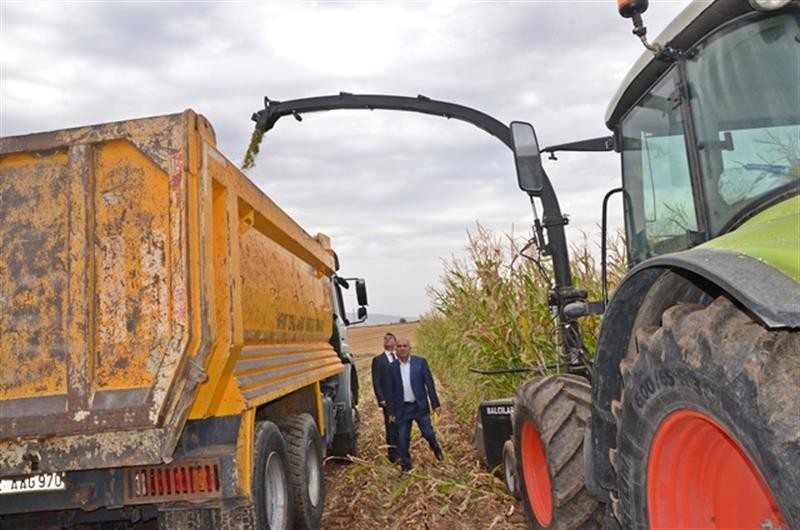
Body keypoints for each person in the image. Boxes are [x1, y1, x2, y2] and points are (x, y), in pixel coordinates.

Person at [387, 338, 444, 472]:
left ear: (410, 348)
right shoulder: (392, 368)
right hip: (403, 409)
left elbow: (429, 384)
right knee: (402, 439)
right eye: (399, 346)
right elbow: (389, 390)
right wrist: (391, 412)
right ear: (396, 350)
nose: (402, 348)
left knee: (428, 433)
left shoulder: (420, 363)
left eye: (405, 346)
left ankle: (436, 448)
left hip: (420, 407)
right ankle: (406, 467)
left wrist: (436, 404)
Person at [371, 332, 399, 463]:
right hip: (388, 400)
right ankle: (393, 455)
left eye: (390, 338)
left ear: (395, 342)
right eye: (385, 338)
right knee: (391, 427)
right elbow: (376, 381)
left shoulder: (400, 357)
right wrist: (381, 398)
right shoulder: (378, 360)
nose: (387, 340)